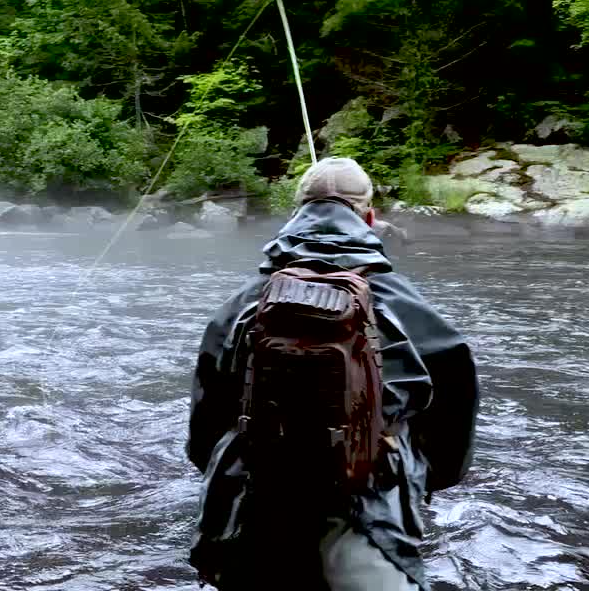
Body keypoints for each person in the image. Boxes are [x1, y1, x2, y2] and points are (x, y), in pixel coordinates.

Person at [186, 157, 479, 591]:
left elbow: (205, 432)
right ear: (370, 218)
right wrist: (419, 480)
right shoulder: (405, 303)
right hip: (366, 515)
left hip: (254, 511)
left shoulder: (244, 302)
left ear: (294, 214)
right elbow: (452, 416)